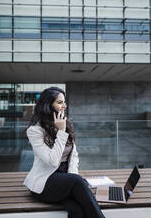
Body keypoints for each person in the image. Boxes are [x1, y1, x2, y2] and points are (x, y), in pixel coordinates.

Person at [23, 86, 105, 218]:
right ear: (48, 106)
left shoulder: (65, 124)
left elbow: (74, 156)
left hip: (65, 179)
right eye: (60, 102)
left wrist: (71, 176)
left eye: (64, 102)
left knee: (76, 210)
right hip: (45, 183)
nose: (64, 106)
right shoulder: (35, 131)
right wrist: (61, 132)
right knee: (78, 183)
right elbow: (52, 160)